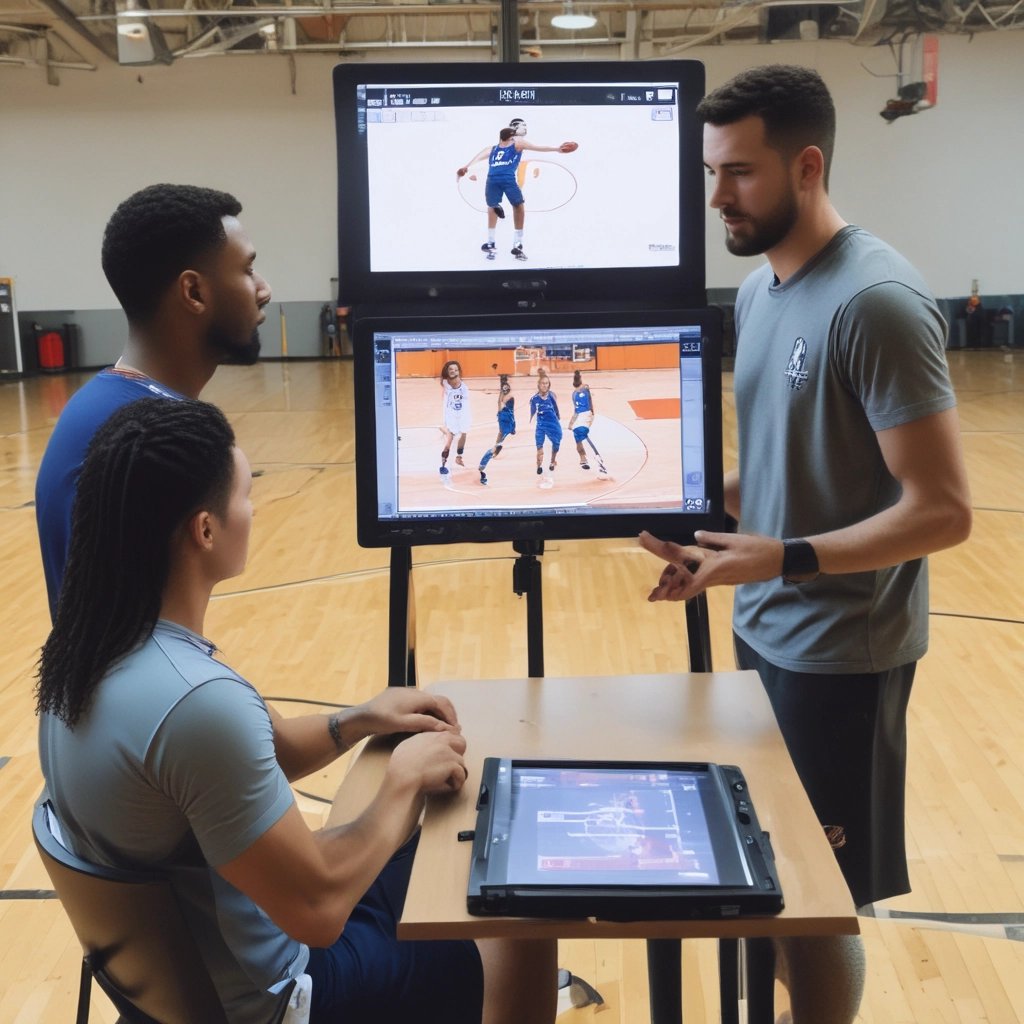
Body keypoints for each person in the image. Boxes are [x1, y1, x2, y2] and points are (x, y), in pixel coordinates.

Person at [36, 397, 557, 1024]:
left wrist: (356, 720)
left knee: (454, 855)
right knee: (519, 892)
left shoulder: (93, 655)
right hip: (290, 996)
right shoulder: (194, 703)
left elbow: (263, 752)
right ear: (205, 529)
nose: (252, 511)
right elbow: (318, 909)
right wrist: (404, 779)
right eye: (246, 497)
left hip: (203, 982)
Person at [639, 65, 971, 1024]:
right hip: (764, 632)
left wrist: (783, 557)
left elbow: (943, 509)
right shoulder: (758, 292)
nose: (716, 197)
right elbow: (781, 474)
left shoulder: (877, 302)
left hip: (843, 655)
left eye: (738, 173)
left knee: (815, 908)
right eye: (711, 171)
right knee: (766, 883)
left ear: (809, 165)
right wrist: (695, 513)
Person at [35, 183, 271, 620]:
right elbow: (126, 659)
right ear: (194, 293)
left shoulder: (117, 408)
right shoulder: (134, 437)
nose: (264, 288)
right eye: (246, 270)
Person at [456, 122, 577, 262]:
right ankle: (508, 243)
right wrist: (556, 149)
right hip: (501, 179)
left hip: (499, 179)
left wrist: (466, 167)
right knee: (510, 206)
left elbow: (536, 148)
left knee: (501, 206)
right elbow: (537, 148)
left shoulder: (503, 147)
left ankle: (501, 243)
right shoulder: (508, 145)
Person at [478, 373, 516, 486]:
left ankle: (482, 469)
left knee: (497, 443)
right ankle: (482, 469)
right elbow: (500, 404)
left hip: (505, 421)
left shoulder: (505, 407)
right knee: (496, 444)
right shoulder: (506, 406)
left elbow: (500, 403)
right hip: (506, 422)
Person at [567, 369, 607, 475]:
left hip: (586, 414)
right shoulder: (574, 394)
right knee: (577, 436)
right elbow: (576, 410)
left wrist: (592, 412)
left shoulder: (585, 388)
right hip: (579, 416)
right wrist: (571, 423)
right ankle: (583, 458)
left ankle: (598, 459)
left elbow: (589, 400)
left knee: (581, 433)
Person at [529, 372, 562, 489]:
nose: (545, 385)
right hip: (541, 426)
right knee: (540, 449)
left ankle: (553, 461)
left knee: (556, 445)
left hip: (553, 424)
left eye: (547, 383)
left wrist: (558, 420)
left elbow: (557, 410)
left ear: (549, 385)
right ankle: (539, 466)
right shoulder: (534, 399)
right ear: (538, 385)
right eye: (543, 383)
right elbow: (532, 413)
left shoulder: (552, 396)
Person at [439, 359, 471, 476]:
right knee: (449, 440)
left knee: (463, 433)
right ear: (447, 371)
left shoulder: (464, 388)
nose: (453, 371)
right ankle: (443, 465)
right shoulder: (445, 383)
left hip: (462, 415)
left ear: (459, 372)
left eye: (456, 369)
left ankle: (459, 457)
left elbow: (465, 405)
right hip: (450, 416)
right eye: (451, 369)